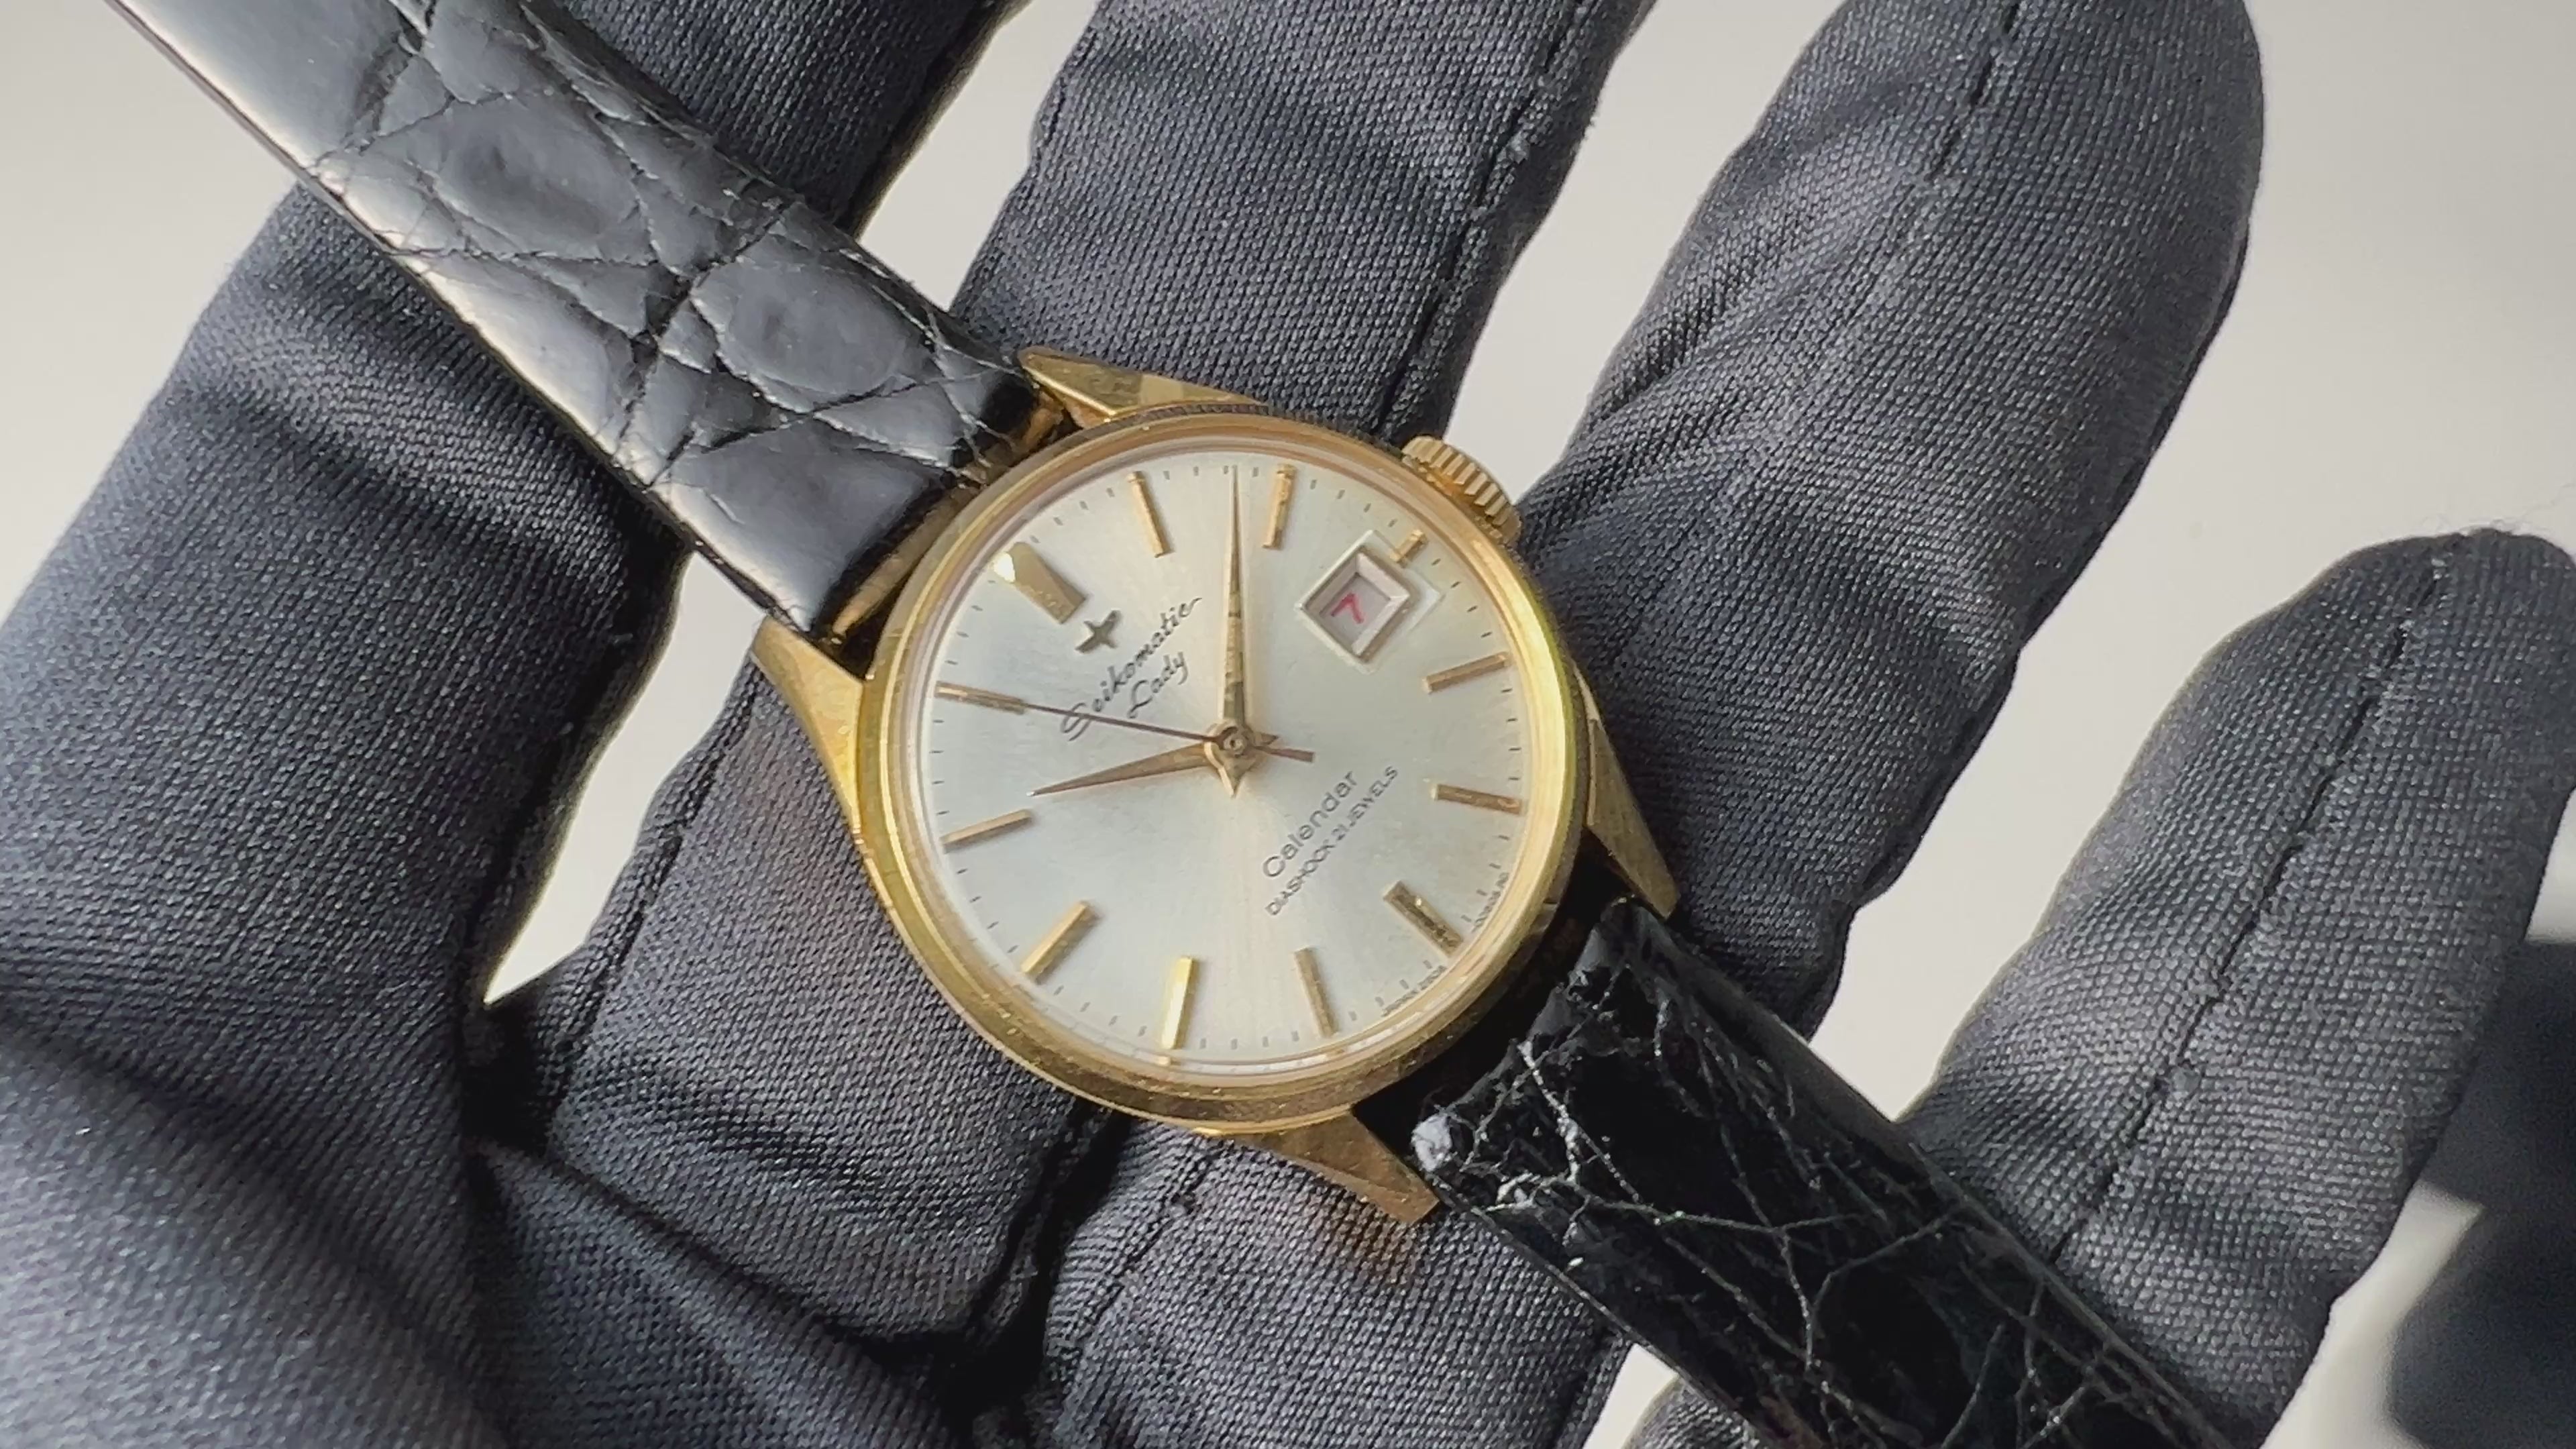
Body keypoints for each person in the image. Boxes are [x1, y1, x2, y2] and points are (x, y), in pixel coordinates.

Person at [2, 0, 2569, 1444]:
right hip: (1350, 988)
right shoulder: (965, 824)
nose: (1214, 757)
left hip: (1472, 889)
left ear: (1432, 515)